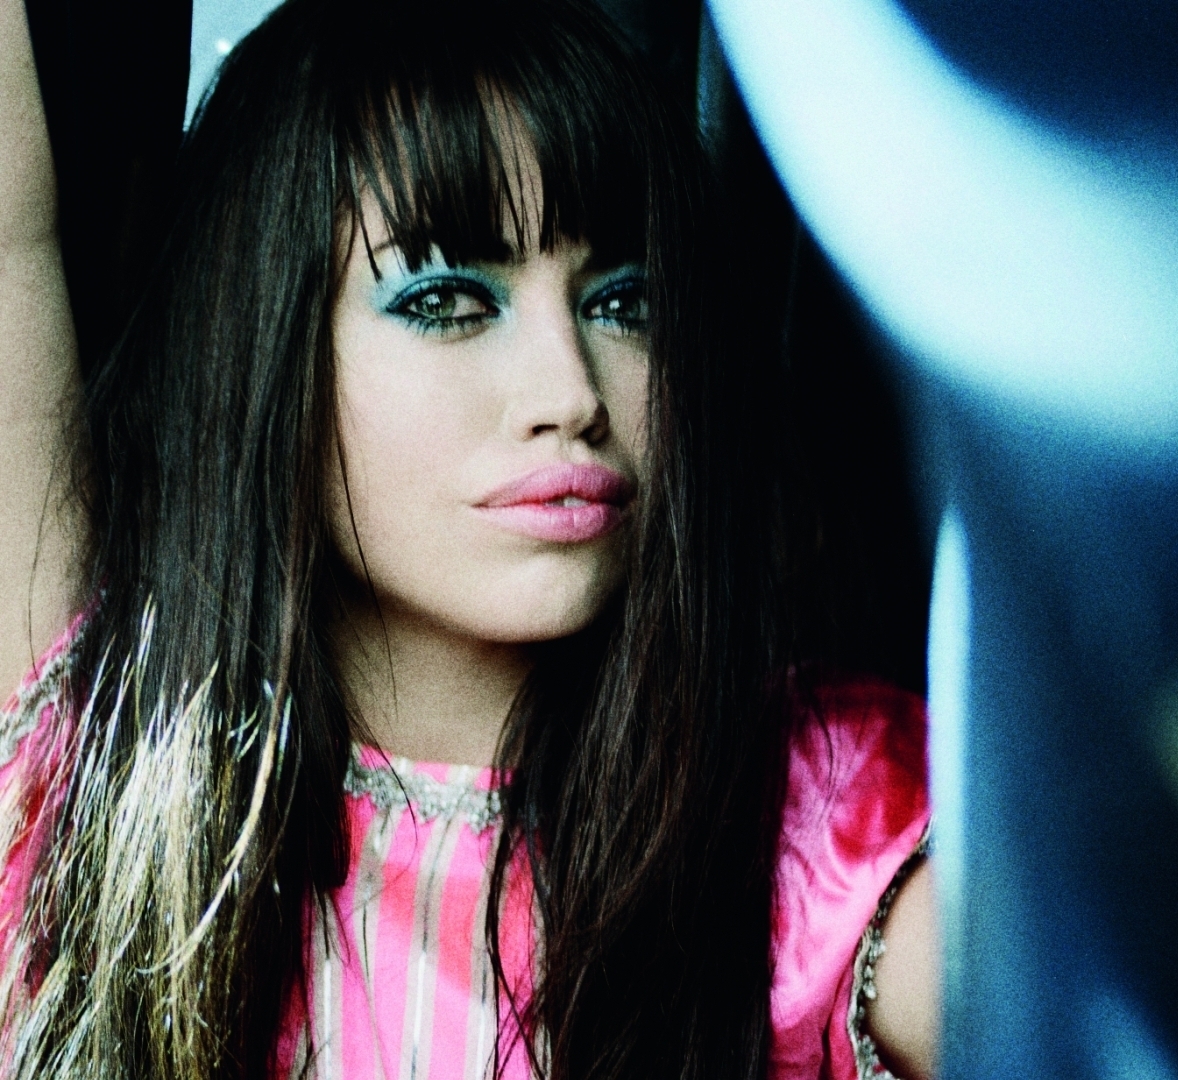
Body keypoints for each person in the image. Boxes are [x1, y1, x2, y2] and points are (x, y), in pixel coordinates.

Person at [0, 0, 938, 1077]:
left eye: (622, 302)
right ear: (258, 346)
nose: (570, 393)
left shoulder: (814, 827)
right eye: (446, 300)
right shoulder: (83, 768)